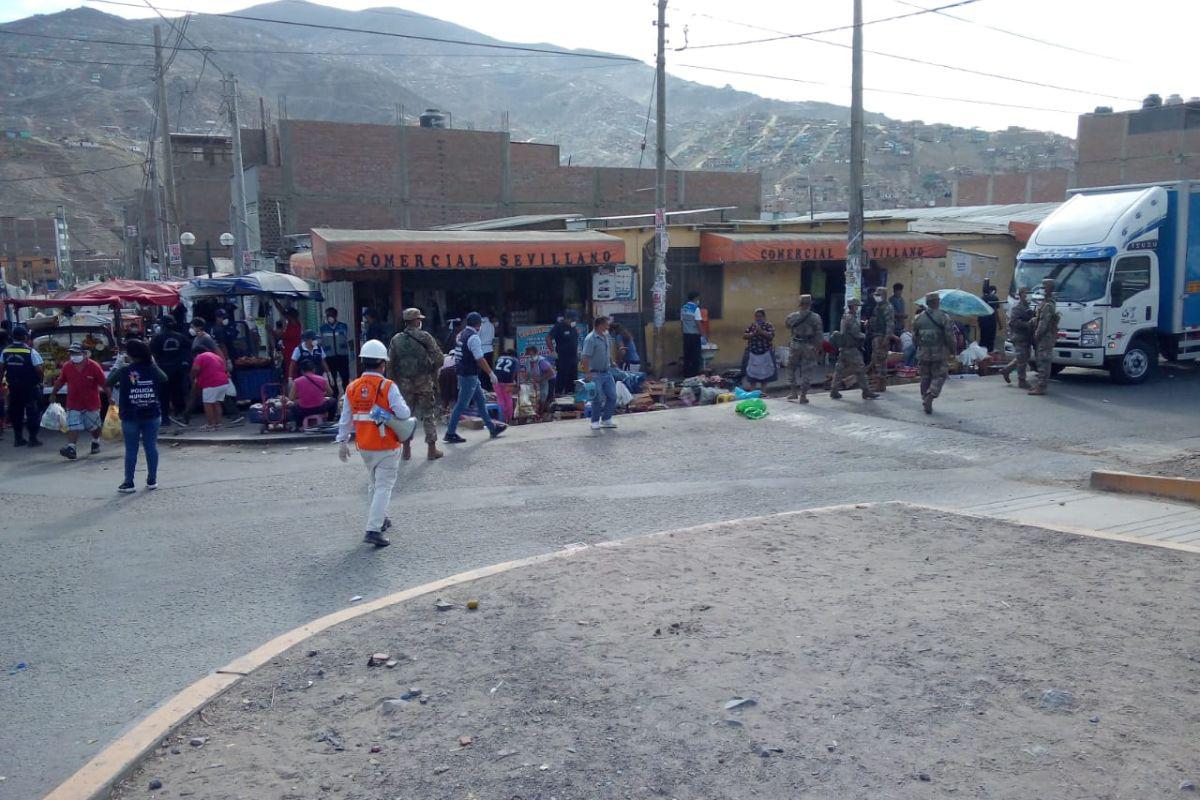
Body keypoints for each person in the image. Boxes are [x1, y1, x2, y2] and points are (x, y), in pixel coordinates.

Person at [335, 338, 412, 548]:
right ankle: (373, 528)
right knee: (384, 486)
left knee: (374, 484)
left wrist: (342, 442)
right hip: (386, 444)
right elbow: (404, 413)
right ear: (382, 363)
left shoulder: (352, 387)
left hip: (365, 446)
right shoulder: (387, 386)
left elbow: (346, 418)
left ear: (363, 362)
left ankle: (381, 518)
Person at [105, 338, 166, 493]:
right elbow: (164, 378)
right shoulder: (152, 368)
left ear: (129, 354)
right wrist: (153, 363)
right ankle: (152, 480)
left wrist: (117, 365)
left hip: (130, 414)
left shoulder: (124, 371)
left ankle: (129, 482)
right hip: (152, 413)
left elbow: (108, 382)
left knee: (131, 449)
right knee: (151, 446)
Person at [388, 307, 445, 461]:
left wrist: (393, 382)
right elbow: (439, 358)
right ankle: (431, 450)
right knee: (428, 414)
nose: (420, 321)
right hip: (423, 382)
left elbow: (390, 363)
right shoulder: (425, 336)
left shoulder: (396, 339)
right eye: (419, 319)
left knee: (406, 416)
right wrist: (431, 370)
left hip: (404, 384)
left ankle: (406, 450)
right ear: (415, 321)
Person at [443, 312, 506, 443]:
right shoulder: (474, 338)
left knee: (481, 402)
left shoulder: (462, 335)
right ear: (478, 325)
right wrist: (491, 373)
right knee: (461, 404)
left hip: (465, 372)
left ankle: (491, 427)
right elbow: (479, 359)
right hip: (469, 374)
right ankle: (450, 433)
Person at [51, 342, 107, 459]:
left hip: (91, 402)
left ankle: (95, 441)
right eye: (72, 353)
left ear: (84, 354)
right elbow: (61, 381)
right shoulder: (67, 366)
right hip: (73, 402)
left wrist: (110, 397)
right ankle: (71, 447)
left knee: (94, 426)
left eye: (77, 353)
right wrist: (53, 393)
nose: (74, 355)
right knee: (72, 425)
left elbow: (104, 383)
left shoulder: (94, 366)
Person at [913, 292, 957, 414]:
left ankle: (924, 398)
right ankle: (930, 395)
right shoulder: (944, 317)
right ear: (937, 302)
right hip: (939, 352)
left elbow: (914, 337)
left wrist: (919, 348)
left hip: (923, 352)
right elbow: (950, 336)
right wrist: (953, 350)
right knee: (940, 376)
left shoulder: (918, 318)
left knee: (925, 377)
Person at [0, 325, 44, 447]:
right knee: (33, 412)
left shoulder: (6, 351)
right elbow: (39, 370)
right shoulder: (30, 351)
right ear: (25, 337)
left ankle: (18, 439)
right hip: (29, 387)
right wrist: (41, 381)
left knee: (16, 413)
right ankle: (32, 439)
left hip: (13, 387)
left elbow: (1, 369)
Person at [829, 298, 878, 401]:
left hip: (844, 348)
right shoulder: (851, 318)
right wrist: (864, 335)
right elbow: (856, 334)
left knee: (839, 370)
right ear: (853, 306)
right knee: (860, 370)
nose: (858, 308)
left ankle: (834, 390)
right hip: (851, 349)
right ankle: (866, 391)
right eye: (857, 306)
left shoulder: (845, 316)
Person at [784, 294, 823, 404]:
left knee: (790, 367)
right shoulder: (816, 317)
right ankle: (803, 395)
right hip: (809, 345)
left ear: (800, 304)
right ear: (810, 304)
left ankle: (793, 391)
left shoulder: (792, 316)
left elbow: (787, 325)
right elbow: (819, 335)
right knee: (808, 370)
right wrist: (818, 348)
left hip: (795, 344)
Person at [580, 315, 617, 431]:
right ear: (600, 325)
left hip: (607, 372)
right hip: (595, 373)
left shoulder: (606, 336)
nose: (608, 326)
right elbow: (585, 357)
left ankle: (606, 419)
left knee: (612, 396)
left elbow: (607, 351)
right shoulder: (590, 339)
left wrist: (611, 361)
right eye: (607, 324)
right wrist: (587, 373)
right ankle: (595, 421)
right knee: (597, 398)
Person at [151, 317, 190, 426]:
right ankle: (182, 415)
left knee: (164, 395)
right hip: (178, 370)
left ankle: (165, 419)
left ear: (162, 325)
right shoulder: (181, 337)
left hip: (163, 370)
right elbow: (187, 353)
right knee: (179, 393)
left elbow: (153, 354)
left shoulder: (157, 338)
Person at [190, 342, 231, 431]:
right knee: (216, 403)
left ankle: (210, 425)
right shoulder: (215, 356)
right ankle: (218, 424)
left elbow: (195, 369)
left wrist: (193, 376)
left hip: (211, 383)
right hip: (223, 382)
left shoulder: (200, 357)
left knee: (208, 404)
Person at [1028, 278, 1058, 397]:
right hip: (1045, 335)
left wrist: (1037, 334)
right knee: (1041, 360)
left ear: (1050, 288)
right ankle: (1040, 384)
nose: (1043, 288)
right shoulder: (1046, 302)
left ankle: (1041, 386)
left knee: (1043, 361)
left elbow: (1043, 323)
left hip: (1045, 337)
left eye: (1045, 286)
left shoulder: (1048, 304)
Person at [1000, 287, 1034, 389]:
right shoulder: (1017, 308)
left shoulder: (1028, 306)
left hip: (1026, 336)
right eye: (1025, 293)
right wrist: (1028, 324)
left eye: (1028, 293)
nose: (1027, 295)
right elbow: (1013, 322)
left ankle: (1006, 370)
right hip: (1019, 336)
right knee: (1022, 358)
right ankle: (1022, 380)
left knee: (1024, 357)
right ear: (1020, 294)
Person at [288, 359, 336, 424]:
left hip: (304, 410)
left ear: (302, 371)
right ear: (314, 369)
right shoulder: (322, 379)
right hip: (320, 408)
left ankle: (299, 424)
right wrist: (321, 394)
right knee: (333, 401)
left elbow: (291, 397)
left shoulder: (297, 381)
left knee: (292, 406)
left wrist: (302, 396)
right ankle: (330, 421)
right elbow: (330, 393)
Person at [868, 286, 896, 392]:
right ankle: (879, 384)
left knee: (880, 361)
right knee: (877, 360)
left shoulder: (887, 307)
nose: (876, 297)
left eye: (878, 295)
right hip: (876, 335)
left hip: (881, 336)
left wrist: (886, 338)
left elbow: (890, 324)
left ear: (884, 296)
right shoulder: (878, 306)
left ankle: (881, 384)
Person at [546, 310, 580, 396]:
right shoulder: (559, 327)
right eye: (572, 320)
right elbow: (548, 338)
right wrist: (553, 351)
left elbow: (574, 340)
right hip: (563, 357)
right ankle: (558, 394)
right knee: (562, 377)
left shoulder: (573, 327)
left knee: (573, 378)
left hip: (573, 357)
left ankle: (570, 394)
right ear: (567, 319)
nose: (574, 322)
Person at [741, 308, 777, 389]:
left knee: (765, 374)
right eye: (756, 316)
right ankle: (753, 392)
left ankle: (763, 392)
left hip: (765, 353)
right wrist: (753, 333)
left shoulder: (768, 325)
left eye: (760, 316)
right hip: (753, 353)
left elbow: (771, 336)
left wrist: (761, 331)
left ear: (764, 317)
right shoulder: (752, 326)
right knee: (752, 374)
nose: (758, 318)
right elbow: (744, 336)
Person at [320, 308, 352, 394]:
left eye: (331, 315)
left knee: (345, 377)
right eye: (328, 315)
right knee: (332, 379)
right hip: (329, 357)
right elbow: (319, 344)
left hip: (342, 357)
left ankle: (347, 395)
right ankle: (335, 396)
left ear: (335, 316)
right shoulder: (323, 328)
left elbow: (349, 340)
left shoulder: (343, 326)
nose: (330, 317)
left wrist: (352, 352)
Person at [520, 345, 556, 413]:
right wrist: (525, 382)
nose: (530, 356)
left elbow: (551, 372)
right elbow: (528, 373)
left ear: (535, 353)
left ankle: (543, 413)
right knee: (536, 396)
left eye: (531, 354)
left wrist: (541, 378)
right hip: (538, 381)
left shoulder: (541, 361)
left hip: (549, 380)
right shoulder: (528, 361)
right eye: (528, 354)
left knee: (545, 396)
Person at [680, 290, 703, 377]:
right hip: (694, 335)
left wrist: (683, 332)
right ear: (696, 298)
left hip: (686, 335)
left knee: (687, 356)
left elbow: (682, 322)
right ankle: (694, 375)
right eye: (698, 298)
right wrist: (703, 335)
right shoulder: (696, 309)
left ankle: (686, 374)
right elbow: (698, 323)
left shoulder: (683, 308)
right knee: (695, 356)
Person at [493, 348, 519, 423]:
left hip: (496, 381)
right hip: (508, 382)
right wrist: (516, 383)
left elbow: (496, 369)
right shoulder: (515, 360)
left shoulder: (499, 358)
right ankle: (509, 419)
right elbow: (514, 373)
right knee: (508, 399)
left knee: (500, 399)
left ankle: (502, 419)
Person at [978, 283, 1001, 352]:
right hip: (991, 321)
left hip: (982, 321)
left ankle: (982, 355)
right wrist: (1000, 323)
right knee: (990, 340)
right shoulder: (994, 298)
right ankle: (989, 354)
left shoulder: (982, 298)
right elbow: (996, 311)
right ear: (993, 290)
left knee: (983, 339)